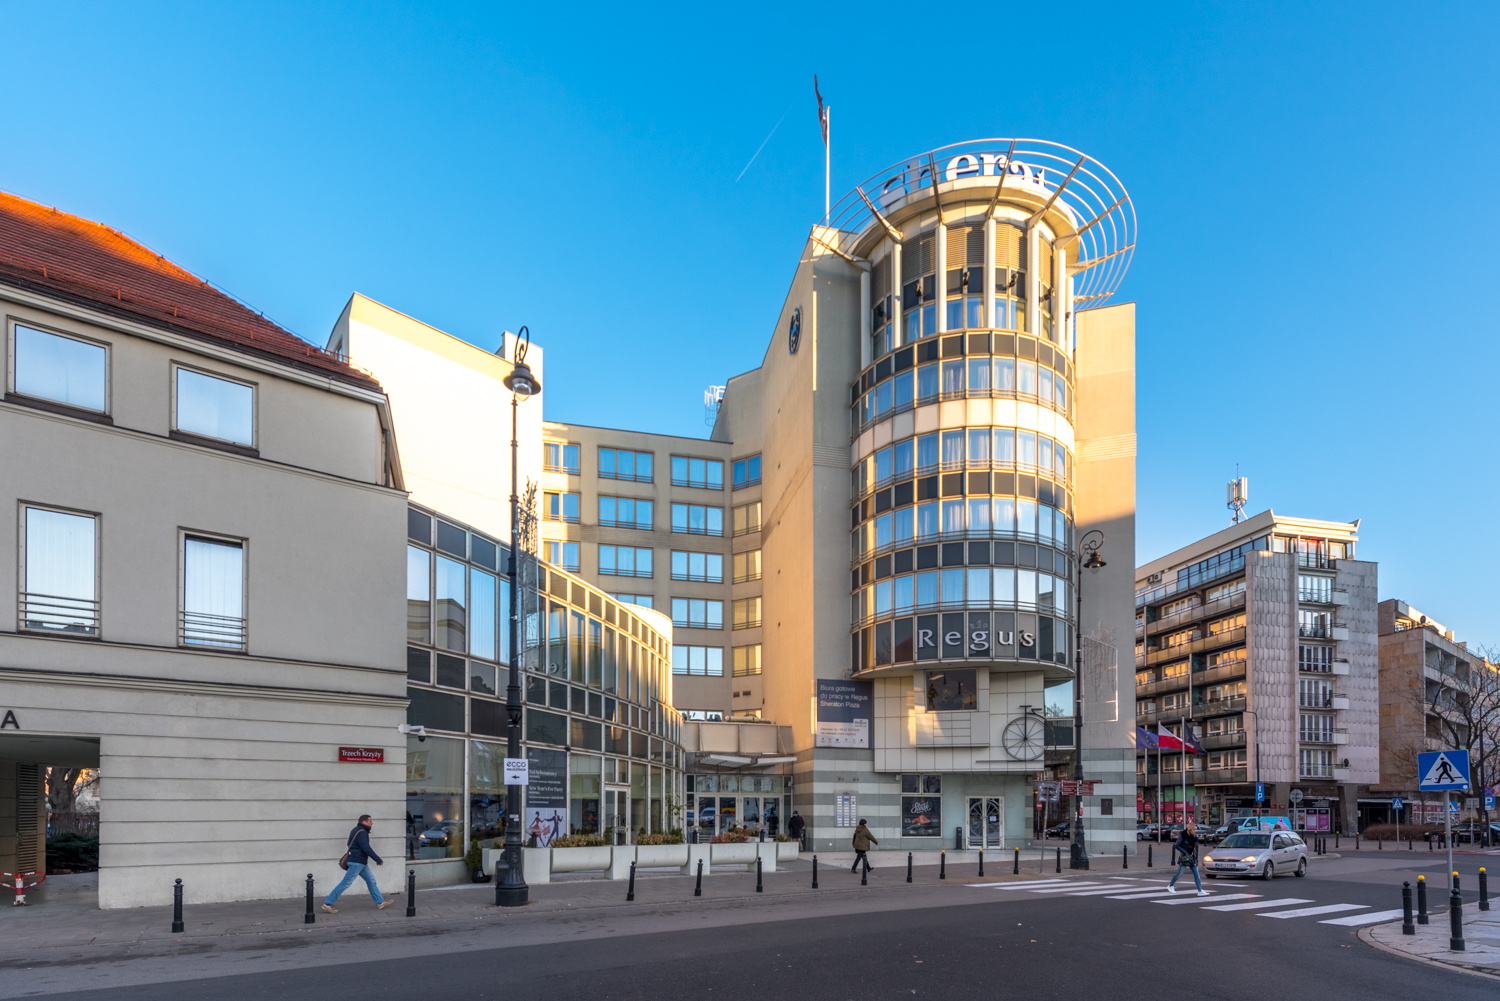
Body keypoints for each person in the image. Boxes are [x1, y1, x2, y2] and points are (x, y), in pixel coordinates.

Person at [323, 814, 396, 913]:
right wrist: (378, 860)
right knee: (345, 883)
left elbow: (349, 843)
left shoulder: (355, 830)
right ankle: (327, 904)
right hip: (357, 862)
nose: (372, 823)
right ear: (364, 822)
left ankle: (380, 902)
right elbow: (366, 848)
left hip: (360, 862)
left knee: (371, 880)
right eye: (370, 821)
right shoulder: (362, 833)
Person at [1166, 822, 1207, 896]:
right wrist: (1185, 852)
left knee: (1196, 874)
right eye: (1194, 829)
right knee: (1180, 873)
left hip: (1192, 856)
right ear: (1190, 829)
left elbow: (1193, 846)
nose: (1195, 831)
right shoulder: (1183, 835)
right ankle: (1171, 885)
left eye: (1195, 829)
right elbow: (1177, 845)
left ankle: (1200, 890)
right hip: (1185, 856)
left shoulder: (1193, 836)